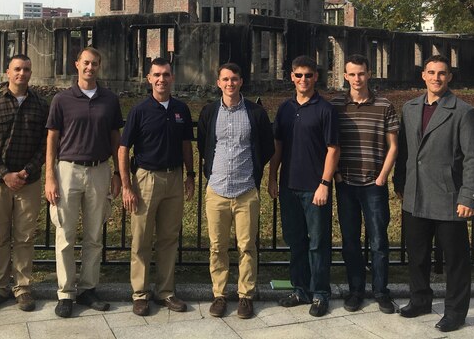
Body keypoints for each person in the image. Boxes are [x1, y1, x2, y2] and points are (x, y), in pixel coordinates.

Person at [393, 54, 474, 333]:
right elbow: (406, 151)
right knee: (417, 254)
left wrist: (468, 197)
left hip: (448, 196)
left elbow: (473, 158)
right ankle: (420, 299)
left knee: (455, 259)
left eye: (442, 73)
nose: (436, 78)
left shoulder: (463, 112)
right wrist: (400, 183)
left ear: (450, 77)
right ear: (423, 75)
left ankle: (455, 312)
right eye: (431, 72)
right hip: (415, 194)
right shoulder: (409, 108)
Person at [44, 47, 123, 318]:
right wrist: (50, 176)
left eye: (95, 64)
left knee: (94, 235)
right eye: (86, 63)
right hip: (68, 170)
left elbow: (115, 137)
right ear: (77, 64)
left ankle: (88, 288)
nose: (90, 68)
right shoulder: (62, 99)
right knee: (64, 234)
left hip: (99, 169)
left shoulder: (109, 100)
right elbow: (52, 138)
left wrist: (117, 174)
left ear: (100, 67)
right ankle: (66, 292)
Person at [197, 63, 275, 319]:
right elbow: (204, 143)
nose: (230, 84)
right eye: (225, 79)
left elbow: (266, 147)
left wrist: (253, 171)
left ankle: (245, 296)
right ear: (218, 82)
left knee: (247, 246)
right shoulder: (209, 112)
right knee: (217, 246)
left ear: (242, 81)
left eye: (234, 79)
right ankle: (219, 294)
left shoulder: (255, 113)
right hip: (217, 189)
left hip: (245, 189)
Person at [118, 58, 195, 316]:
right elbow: (123, 147)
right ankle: (140, 293)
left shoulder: (181, 110)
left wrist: (191, 175)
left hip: (174, 178)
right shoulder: (140, 110)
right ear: (149, 78)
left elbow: (187, 145)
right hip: (146, 179)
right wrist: (127, 186)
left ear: (172, 78)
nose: (162, 79)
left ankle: (166, 291)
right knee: (141, 238)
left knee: (168, 238)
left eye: (166, 74)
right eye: (157, 75)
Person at [0, 54, 49, 312]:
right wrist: (5, 174)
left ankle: (22, 286)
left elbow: (46, 144)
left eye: (26, 69)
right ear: (8, 72)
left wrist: (26, 172)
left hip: (28, 181)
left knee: (25, 235)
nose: (22, 73)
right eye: (17, 69)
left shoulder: (41, 106)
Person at [269, 55, 340, 317]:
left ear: (315, 77)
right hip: (289, 185)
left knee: (318, 242)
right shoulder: (285, 108)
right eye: (298, 75)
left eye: (308, 75)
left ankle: (320, 292)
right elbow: (278, 146)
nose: (303, 80)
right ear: (292, 77)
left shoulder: (325, 109)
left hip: (314, 187)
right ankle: (300, 288)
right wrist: (272, 177)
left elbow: (333, 149)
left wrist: (324, 183)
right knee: (296, 241)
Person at [331, 54, 398, 314]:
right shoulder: (336, 105)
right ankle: (355, 290)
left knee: (379, 241)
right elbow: (330, 142)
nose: (357, 79)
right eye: (352, 74)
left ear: (369, 74)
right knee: (350, 241)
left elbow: (393, 145)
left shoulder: (384, 105)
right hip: (346, 182)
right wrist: (336, 175)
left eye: (361, 73)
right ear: (345, 76)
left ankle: (381, 291)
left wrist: (383, 176)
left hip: (374, 182)